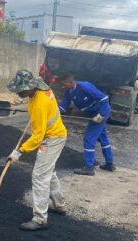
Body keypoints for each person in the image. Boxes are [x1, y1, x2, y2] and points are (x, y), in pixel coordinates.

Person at [7, 70, 67, 231]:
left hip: (51, 138)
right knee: (49, 172)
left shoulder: (40, 103)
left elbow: (37, 137)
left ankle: (40, 219)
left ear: (30, 87)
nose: (19, 93)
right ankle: (60, 205)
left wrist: (19, 151)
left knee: (40, 176)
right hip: (55, 133)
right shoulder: (41, 87)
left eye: (21, 90)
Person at [59, 74, 115, 176]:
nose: (63, 86)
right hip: (93, 114)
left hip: (100, 113)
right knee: (103, 138)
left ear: (71, 82)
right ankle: (109, 164)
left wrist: (101, 115)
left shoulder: (85, 86)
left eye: (64, 84)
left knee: (89, 139)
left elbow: (104, 99)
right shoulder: (69, 91)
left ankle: (89, 167)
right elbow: (64, 104)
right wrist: (55, 113)